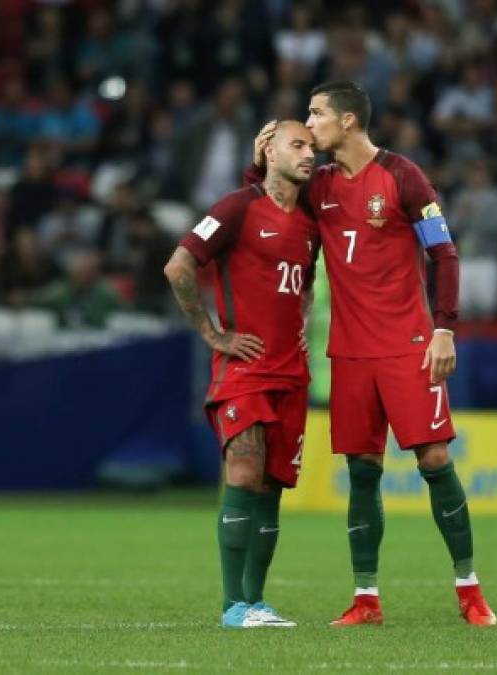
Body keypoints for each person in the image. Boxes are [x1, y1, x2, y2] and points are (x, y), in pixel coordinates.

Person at [251, 81, 496, 626]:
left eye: (316, 115)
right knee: (363, 472)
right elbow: (269, 203)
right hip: (352, 354)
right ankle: (366, 599)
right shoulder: (320, 185)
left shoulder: (403, 176)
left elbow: (444, 253)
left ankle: (469, 589)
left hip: (409, 346)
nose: (308, 125)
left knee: (434, 460)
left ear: (348, 122)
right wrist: (258, 163)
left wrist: (445, 329)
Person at [163, 121, 317, 628]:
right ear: (268, 150)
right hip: (244, 370)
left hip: (291, 373)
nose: (309, 153)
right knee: (245, 470)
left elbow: (307, 284)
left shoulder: (312, 220)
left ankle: (256, 602)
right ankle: (233, 607)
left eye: (312, 146)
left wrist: (304, 323)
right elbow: (178, 266)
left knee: (272, 486)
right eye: (298, 144)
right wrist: (212, 334)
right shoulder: (236, 207)